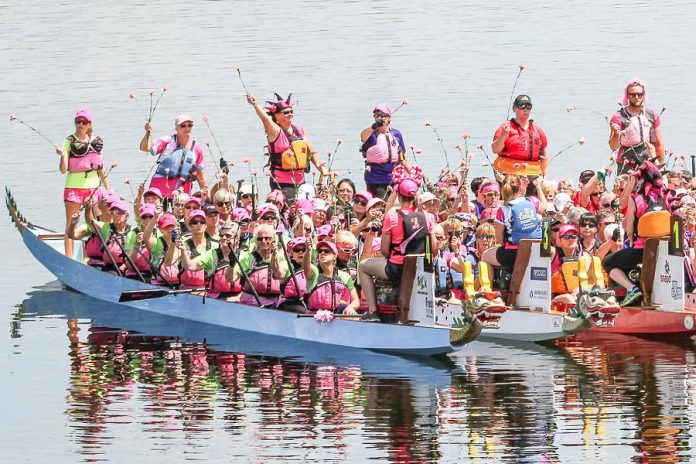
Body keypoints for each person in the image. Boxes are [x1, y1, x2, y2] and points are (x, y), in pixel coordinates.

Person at [359, 178, 433, 319]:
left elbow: (385, 250)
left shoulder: (392, 216)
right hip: (422, 268)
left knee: (362, 267)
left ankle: (373, 312)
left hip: (397, 269)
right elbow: (433, 248)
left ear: (398, 195)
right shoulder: (427, 217)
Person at [602, 161, 670, 306]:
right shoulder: (664, 197)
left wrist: (631, 238)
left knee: (607, 262)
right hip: (664, 249)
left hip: (642, 250)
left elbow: (629, 229)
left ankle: (632, 289)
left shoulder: (636, 198)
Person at [246, 93, 328, 203]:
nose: (290, 114)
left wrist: (320, 167)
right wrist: (256, 104)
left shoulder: (299, 130)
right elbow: (265, 119)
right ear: (276, 115)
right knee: (291, 210)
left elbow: (312, 152)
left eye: (291, 111)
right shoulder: (274, 131)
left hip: (300, 180)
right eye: (285, 112)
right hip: (281, 182)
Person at [56, 108, 110, 257]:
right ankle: (69, 258)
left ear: (89, 124)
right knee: (70, 224)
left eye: (84, 122)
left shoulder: (96, 142)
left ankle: (99, 255)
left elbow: (101, 168)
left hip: (94, 189)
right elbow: (63, 169)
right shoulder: (69, 141)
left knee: (98, 222)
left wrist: (108, 189)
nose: (80, 124)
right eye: (78, 121)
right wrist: (62, 156)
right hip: (74, 188)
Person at [139, 115, 207, 200]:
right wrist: (147, 134)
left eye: (190, 125)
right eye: (183, 126)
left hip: (182, 194)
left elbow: (201, 177)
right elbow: (145, 148)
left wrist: (206, 198)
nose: (187, 128)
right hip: (159, 190)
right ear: (176, 128)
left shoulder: (196, 148)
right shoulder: (168, 141)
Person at [481, 174, 542, 269]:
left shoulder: (503, 210)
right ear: (520, 187)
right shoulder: (532, 201)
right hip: (536, 249)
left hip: (514, 253)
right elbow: (544, 207)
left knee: (485, 255)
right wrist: (538, 186)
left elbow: (499, 239)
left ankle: (489, 284)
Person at [609, 78, 665, 174]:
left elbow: (659, 143)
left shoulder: (652, 115)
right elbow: (613, 146)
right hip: (627, 163)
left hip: (648, 161)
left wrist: (661, 163)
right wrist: (615, 133)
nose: (636, 97)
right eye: (633, 94)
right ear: (627, 96)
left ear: (643, 95)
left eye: (639, 94)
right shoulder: (618, 116)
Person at [226, 223, 288, 307]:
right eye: (260, 238)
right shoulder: (249, 258)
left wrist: (275, 257)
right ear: (256, 241)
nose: (263, 241)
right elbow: (230, 278)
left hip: (276, 301)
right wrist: (231, 263)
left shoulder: (281, 257)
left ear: (273, 239)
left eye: (267, 238)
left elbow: (280, 275)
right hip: (252, 300)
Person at [491, 95, 548, 177]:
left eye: (528, 107)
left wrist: (545, 176)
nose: (525, 109)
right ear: (514, 108)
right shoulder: (506, 127)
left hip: (534, 172)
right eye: (522, 106)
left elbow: (544, 153)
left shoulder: (537, 129)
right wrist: (503, 135)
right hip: (509, 172)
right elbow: (495, 149)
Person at [360, 103, 407, 198]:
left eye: (383, 115)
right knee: (383, 205)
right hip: (376, 179)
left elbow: (403, 158)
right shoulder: (371, 134)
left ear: (389, 118)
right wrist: (374, 126)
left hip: (394, 178)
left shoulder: (396, 134)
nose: (380, 118)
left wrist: (412, 172)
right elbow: (363, 136)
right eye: (377, 116)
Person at [304, 240, 360, 314]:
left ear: (335, 256)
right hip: (316, 317)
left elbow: (356, 301)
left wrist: (350, 307)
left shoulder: (344, 276)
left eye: (326, 251)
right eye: (320, 251)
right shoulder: (314, 273)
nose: (322, 253)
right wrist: (308, 251)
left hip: (338, 316)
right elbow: (306, 266)